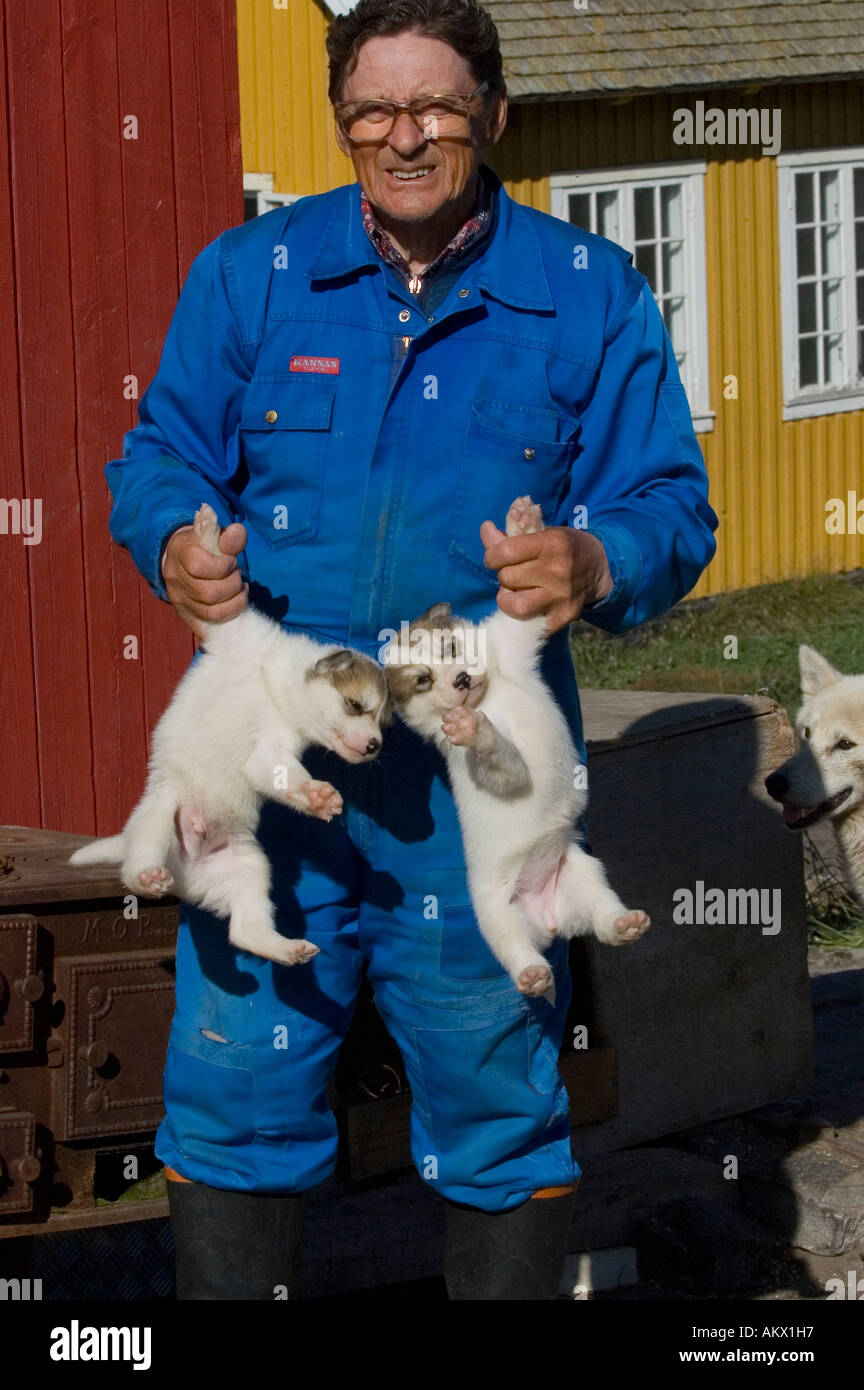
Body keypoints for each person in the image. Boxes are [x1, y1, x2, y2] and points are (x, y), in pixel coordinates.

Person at [105, 0, 717, 1300]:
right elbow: (158, 452)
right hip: (284, 786)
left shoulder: (584, 292)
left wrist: (594, 559)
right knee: (233, 1103)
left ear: (493, 113)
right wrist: (170, 535)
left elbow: (672, 503)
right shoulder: (250, 275)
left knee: (501, 1118)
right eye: (372, 112)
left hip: (477, 795)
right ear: (343, 123)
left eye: (434, 107)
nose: (403, 137)